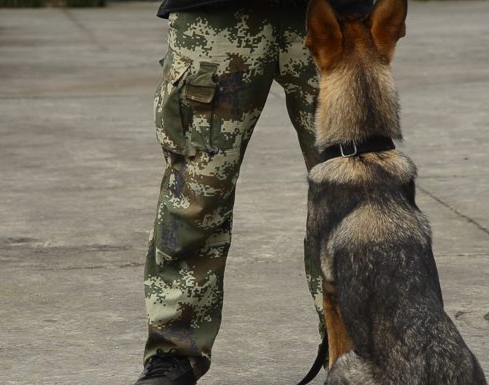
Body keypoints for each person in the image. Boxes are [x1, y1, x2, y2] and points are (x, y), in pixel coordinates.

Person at [134, 1, 373, 384]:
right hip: (214, 11)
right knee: (196, 193)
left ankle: (355, 351)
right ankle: (174, 355)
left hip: (335, 9)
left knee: (353, 193)